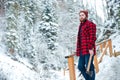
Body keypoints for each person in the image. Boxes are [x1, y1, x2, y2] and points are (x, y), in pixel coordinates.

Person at [72, 10, 96, 80]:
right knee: (80, 66)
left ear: (86, 16)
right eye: (80, 15)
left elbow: (92, 36)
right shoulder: (81, 26)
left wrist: (91, 48)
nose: (81, 16)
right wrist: (77, 50)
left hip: (88, 49)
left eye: (82, 15)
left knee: (90, 66)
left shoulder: (90, 24)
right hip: (82, 50)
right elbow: (80, 39)